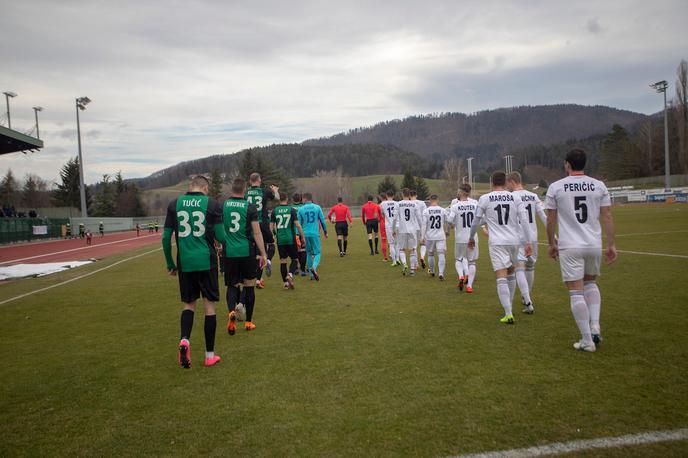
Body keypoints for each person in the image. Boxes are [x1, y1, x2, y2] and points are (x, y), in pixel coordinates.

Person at [545, 148, 617, 352]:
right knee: (591, 283)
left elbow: (551, 219)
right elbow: (607, 216)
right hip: (593, 244)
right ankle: (595, 325)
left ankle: (587, 340)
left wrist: (551, 243)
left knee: (576, 292)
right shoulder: (599, 185)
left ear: (567, 164)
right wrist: (611, 244)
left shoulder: (556, 187)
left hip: (570, 245)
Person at [162, 175, 225, 368]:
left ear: (191, 186)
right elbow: (221, 235)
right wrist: (218, 240)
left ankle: (184, 340)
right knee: (209, 307)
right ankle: (209, 356)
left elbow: (165, 238)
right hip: (206, 260)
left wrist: (171, 263)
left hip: (185, 262)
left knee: (189, 305)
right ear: (205, 188)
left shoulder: (175, 204)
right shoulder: (212, 204)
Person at [469, 171, 534, 324]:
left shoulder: (485, 198)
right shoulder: (515, 197)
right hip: (514, 241)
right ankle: (510, 306)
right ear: (505, 182)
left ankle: (508, 312)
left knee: (501, 275)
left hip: (497, 242)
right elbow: (524, 220)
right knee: (512, 272)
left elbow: (475, 221)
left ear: (492, 183)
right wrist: (528, 242)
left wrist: (471, 237)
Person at [223, 177, 268, 334]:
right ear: (244, 190)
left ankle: (231, 313)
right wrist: (263, 253)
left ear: (231, 190)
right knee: (249, 286)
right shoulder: (250, 207)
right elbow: (256, 232)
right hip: (246, 251)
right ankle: (248, 322)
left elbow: (220, 229)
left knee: (232, 285)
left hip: (229, 251)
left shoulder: (224, 205)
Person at [507, 171, 548, 313]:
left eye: (508, 183)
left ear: (512, 181)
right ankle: (526, 297)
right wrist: (553, 235)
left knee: (519, 268)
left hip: (518, 237)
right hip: (533, 236)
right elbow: (543, 216)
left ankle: (528, 301)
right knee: (530, 267)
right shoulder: (533, 196)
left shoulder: (511, 197)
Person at [245, 173, 279, 288]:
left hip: (250, 225)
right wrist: (275, 190)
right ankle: (268, 260)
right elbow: (278, 199)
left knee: (257, 252)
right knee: (271, 244)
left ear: (250, 181)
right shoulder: (265, 191)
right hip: (263, 223)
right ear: (259, 180)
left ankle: (257, 280)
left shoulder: (245, 193)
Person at [447, 184, 481, 293]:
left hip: (460, 237)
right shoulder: (475, 204)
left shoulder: (455, 206)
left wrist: (450, 228)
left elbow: (449, 220)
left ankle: (461, 276)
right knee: (472, 262)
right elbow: (482, 219)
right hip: (472, 238)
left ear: (460, 192)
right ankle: (470, 286)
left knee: (459, 259)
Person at [271, 195, 306, 289]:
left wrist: (274, 235)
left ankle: (285, 284)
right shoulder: (291, 210)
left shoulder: (274, 211)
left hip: (280, 240)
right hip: (290, 239)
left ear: (279, 200)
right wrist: (303, 237)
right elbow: (298, 225)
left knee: (283, 261)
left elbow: (271, 227)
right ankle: (290, 274)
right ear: (287, 199)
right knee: (295, 259)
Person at [297, 193, 328, 281]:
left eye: (302, 199)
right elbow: (322, 220)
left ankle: (311, 275)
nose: (302, 201)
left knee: (309, 253)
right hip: (314, 233)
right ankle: (314, 267)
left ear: (305, 199)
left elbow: (298, 224)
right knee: (318, 252)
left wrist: (298, 235)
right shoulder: (317, 207)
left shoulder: (301, 209)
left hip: (305, 234)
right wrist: (325, 231)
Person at [393, 188, 423, 276]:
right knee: (412, 250)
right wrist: (421, 230)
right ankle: (412, 270)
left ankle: (405, 264)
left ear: (402, 195)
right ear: (409, 195)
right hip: (412, 230)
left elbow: (394, 218)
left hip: (402, 229)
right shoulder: (414, 205)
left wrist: (393, 229)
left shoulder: (398, 204)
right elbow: (419, 218)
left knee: (401, 249)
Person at [421, 195, 448, 279]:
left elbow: (424, 225)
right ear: (438, 200)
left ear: (429, 200)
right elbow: (448, 222)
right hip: (440, 235)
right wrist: (447, 231)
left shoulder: (426, 211)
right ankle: (441, 273)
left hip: (430, 236)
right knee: (441, 254)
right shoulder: (443, 210)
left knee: (430, 254)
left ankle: (432, 271)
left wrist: (422, 237)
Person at [379, 191, 399, 265]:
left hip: (388, 225)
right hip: (397, 225)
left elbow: (382, 214)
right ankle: (398, 259)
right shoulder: (397, 203)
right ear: (393, 196)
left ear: (386, 196)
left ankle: (394, 261)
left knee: (391, 244)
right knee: (397, 243)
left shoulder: (382, 204)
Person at [410, 190, 427, 270]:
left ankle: (416, 265)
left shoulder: (408, 204)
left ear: (409, 196)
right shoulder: (422, 203)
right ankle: (422, 256)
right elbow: (425, 214)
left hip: (412, 227)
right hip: (421, 226)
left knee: (414, 246)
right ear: (416, 195)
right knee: (423, 244)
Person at [292, 193, 308, 276]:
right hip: (302, 231)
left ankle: (295, 269)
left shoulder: (290, 208)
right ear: (300, 199)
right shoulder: (304, 207)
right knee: (303, 250)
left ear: (293, 199)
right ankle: (302, 270)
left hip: (293, 232)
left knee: (296, 251)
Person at [377, 194, 389, 262]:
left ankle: (385, 257)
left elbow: (378, 217)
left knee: (384, 240)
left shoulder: (380, 205)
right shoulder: (392, 204)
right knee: (392, 241)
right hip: (391, 223)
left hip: (383, 223)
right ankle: (393, 255)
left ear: (381, 198)